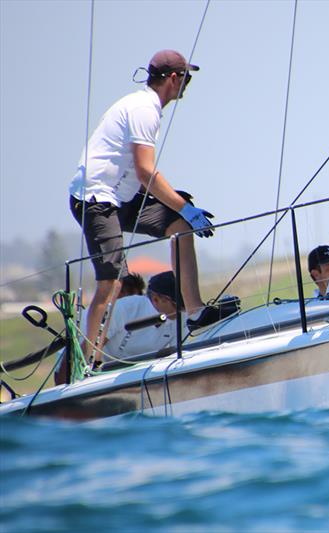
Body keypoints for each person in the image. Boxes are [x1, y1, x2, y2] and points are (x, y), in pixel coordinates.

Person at [67, 50, 235, 363]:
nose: (187, 83)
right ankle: (86, 359)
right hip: (96, 199)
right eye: (186, 77)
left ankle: (195, 310)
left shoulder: (148, 107)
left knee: (178, 225)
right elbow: (146, 173)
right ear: (173, 78)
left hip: (122, 198)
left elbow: (142, 177)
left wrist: (180, 207)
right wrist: (186, 207)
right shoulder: (144, 109)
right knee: (112, 282)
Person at [93, 271, 188, 366]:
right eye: (176, 305)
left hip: (143, 370)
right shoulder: (126, 307)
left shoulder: (183, 316)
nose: (182, 311)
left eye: (184, 306)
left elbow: (176, 356)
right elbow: (94, 345)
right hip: (105, 369)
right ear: (155, 299)